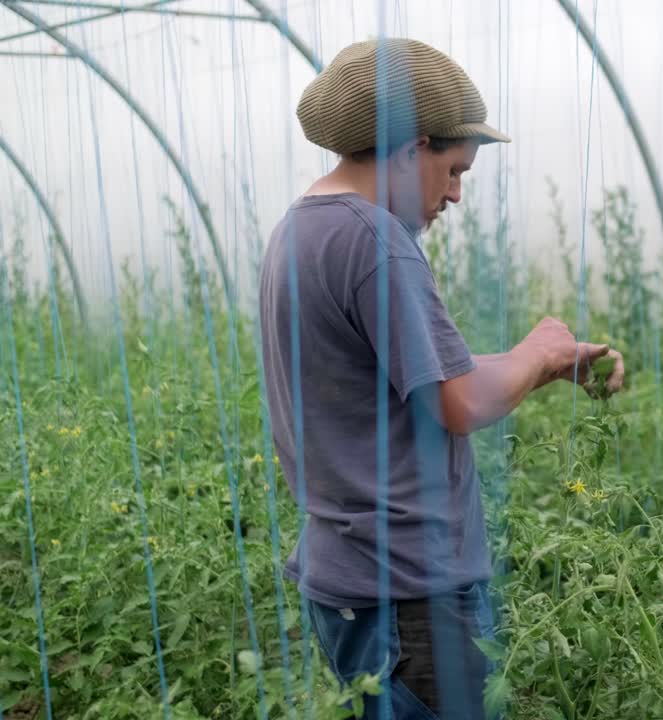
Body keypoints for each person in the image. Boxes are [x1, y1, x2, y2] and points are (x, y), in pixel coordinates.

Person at [258, 38, 624, 719]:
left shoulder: (301, 230)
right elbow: (456, 402)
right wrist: (539, 352)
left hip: (351, 582)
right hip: (410, 590)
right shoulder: (375, 241)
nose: (455, 195)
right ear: (409, 148)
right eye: (453, 169)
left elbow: (414, 381)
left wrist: (541, 368)